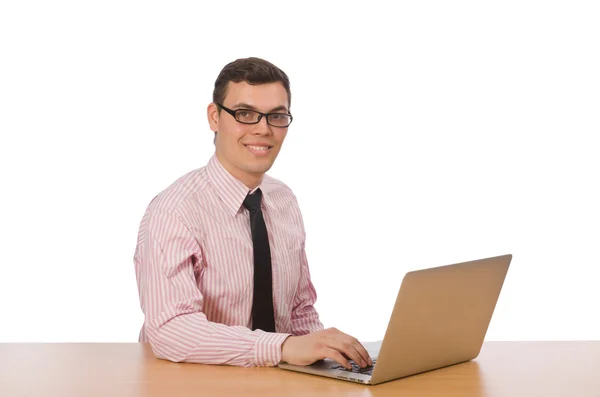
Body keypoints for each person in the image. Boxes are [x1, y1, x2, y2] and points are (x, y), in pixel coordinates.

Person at [133, 57, 372, 370]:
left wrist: (329, 354)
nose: (263, 129)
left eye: (276, 116)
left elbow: (298, 312)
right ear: (214, 117)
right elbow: (171, 330)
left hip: (277, 382)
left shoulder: (283, 200)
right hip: (192, 383)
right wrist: (282, 347)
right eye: (245, 114)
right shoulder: (174, 211)